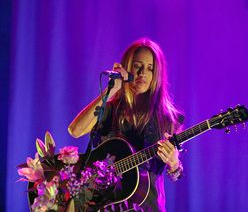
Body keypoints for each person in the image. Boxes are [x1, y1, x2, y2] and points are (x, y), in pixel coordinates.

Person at [68, 38, 184, 211]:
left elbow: (176, 176)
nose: (143, 73)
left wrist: (174, 164)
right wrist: (112, 90)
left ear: (157, 75)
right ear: (127, 67)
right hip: (107, 206)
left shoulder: (168, 119)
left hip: (147, 206)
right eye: (137, 66)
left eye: (150, 68)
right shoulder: (110, 109)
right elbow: (75, 131)